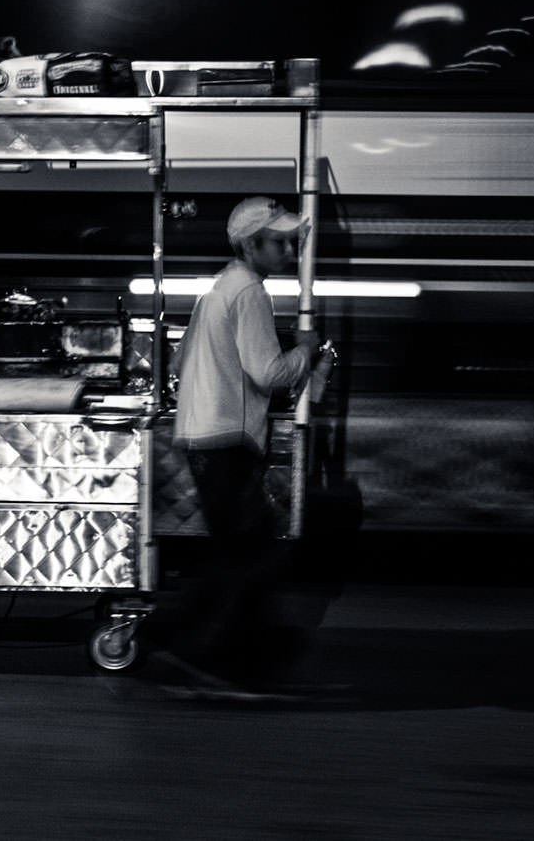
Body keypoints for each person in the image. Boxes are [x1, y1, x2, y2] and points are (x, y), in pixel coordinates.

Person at [155, 195, 334, 699]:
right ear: (251, 245)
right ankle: (207, 655)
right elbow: (268, 373)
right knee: (248, 555)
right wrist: (305, 347)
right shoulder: (250, 292)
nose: (289, 249)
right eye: (279, 241)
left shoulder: (218, 288)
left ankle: (221, 653)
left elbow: (178, 362)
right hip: (227, 440)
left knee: (237, 554)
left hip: (205, 438)